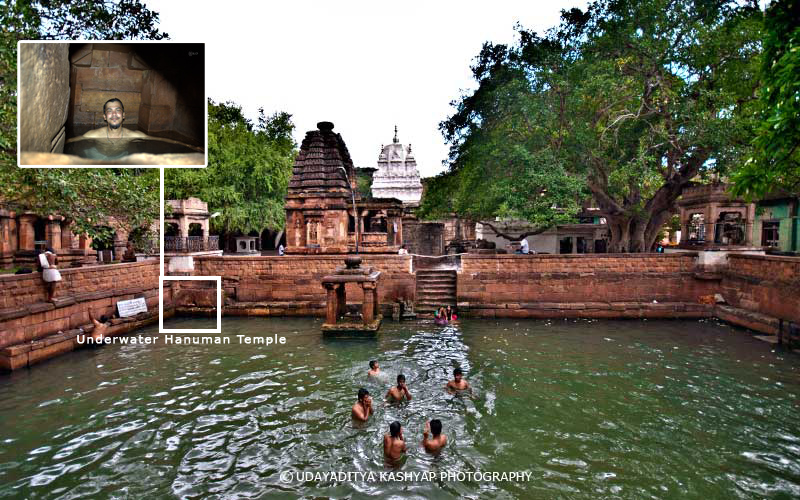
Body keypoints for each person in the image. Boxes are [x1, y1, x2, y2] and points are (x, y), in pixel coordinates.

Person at [78, 98, 149, 141]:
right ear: (104, 117)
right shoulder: (93, 135)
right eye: (109, 111)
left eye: (118, 110)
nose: (114, 114)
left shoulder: (133, 135)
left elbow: (158, 141)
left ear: (123, 115)